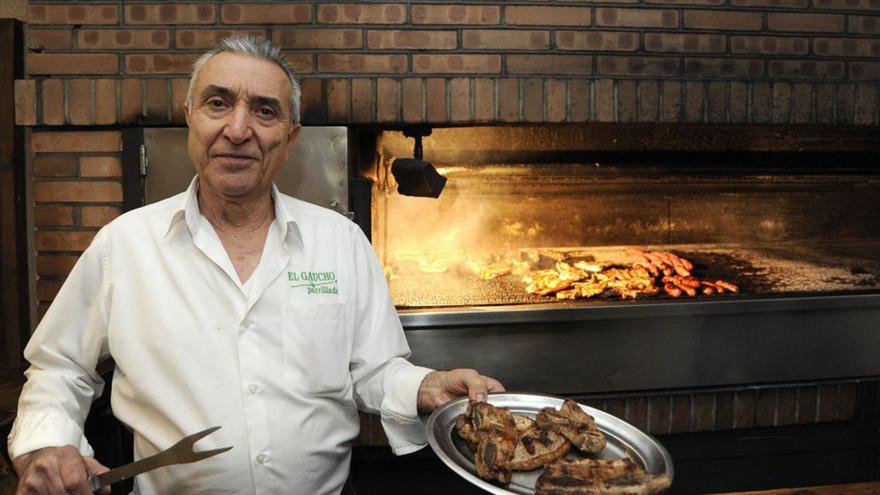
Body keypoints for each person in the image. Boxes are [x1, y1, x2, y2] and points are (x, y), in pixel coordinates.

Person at [9, 36, 504, 495]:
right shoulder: (126, 245)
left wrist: (423, 384)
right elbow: (60, 367)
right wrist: (49, 443)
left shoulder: (341, 242)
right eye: (218, 103)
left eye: (264, 111)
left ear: (289, 139)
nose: (238, 129)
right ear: (190, 118)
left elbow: (374, 369)